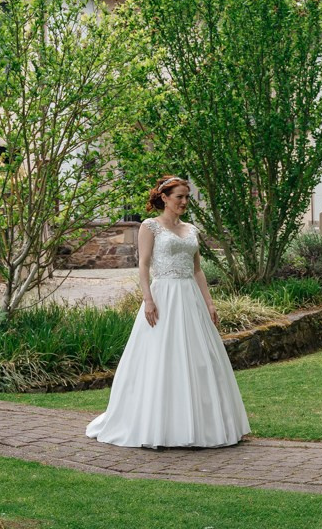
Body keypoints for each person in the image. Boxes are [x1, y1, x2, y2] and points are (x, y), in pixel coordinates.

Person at [87, 175, 250, 448]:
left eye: (187, 197)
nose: (184, 202)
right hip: (163, 296)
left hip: (190, 298)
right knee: (161, 357)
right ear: (164, 198)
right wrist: (148, 299)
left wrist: (209, 303)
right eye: (179, 197)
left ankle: (204, 425)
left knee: (198, 359)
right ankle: (157, 424)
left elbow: (197, 270)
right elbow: (143, 265)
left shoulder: (192, 229)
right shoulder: (150, 226)